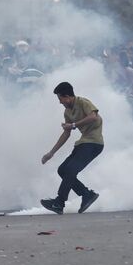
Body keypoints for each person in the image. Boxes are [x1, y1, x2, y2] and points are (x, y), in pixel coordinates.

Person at [40, 82, 103, 214]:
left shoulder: (83, 102)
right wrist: (51, 152)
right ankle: (87, 194)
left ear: (67, 96)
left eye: (60, 99)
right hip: (83, 143)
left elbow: (93, 116)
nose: (60, 102)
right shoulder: (67, 112)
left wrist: (74, 125)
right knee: (63, 170)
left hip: (94, 143)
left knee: (70, 169)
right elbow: (66, 133)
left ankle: (59, 202)